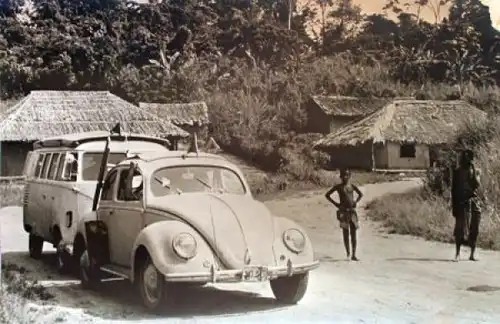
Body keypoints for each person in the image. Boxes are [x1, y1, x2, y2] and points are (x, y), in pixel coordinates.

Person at [325, 169, 364, 261]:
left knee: (353, 234)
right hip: (343, 212)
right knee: (345, 233)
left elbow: (360, 194)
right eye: (343, 176)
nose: (345, 177)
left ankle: (354, 254)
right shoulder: (338, 187)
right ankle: (348, 253)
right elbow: (327, 195)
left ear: (349, 176)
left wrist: (356, 202)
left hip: (352, 211)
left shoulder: (352, 186)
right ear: (341, 177)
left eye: (347, 176)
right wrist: (336, 204)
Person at [451, 149, 482, 262]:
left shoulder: (476, 171)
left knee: (474, 227)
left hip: (473, 202)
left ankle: (472, 254)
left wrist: (473, 169)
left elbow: (476, 185)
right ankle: (457, 254)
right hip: (461, 202)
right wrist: (453, 206)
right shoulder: (457, 171)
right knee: (460, 229)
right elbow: (453, 190)